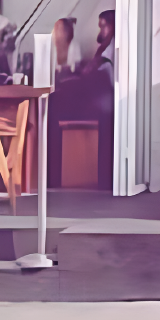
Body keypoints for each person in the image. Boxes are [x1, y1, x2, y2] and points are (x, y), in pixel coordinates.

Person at [48, 10, 115, 190]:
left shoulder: (111, 49)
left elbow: (92, 74)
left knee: (58, 109)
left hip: (106, 103)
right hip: (99, 99)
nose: (100, 31)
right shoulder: (104, 48)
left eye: (103, 26)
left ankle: (55, 175)